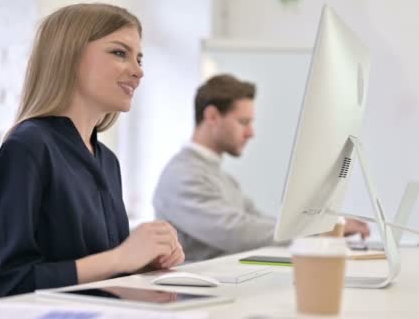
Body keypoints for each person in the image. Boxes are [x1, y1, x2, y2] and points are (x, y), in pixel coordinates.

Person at [0, 3, 184, 299]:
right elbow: (7, 284)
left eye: (139, 58)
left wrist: (142, 263)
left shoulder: (107, 161)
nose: (138, 72)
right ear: (68, 57)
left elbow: (100, 269)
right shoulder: (27, 148)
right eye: (119, 53)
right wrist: (120, 259)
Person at [153, 74, 369, 261]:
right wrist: (318, 231)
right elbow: (237, 232)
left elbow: (256, 220)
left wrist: (319, 226)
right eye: (243, 122)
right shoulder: (182, 176)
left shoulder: (222, 178)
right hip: (190, 294)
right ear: (212, 116)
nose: (251, 133)